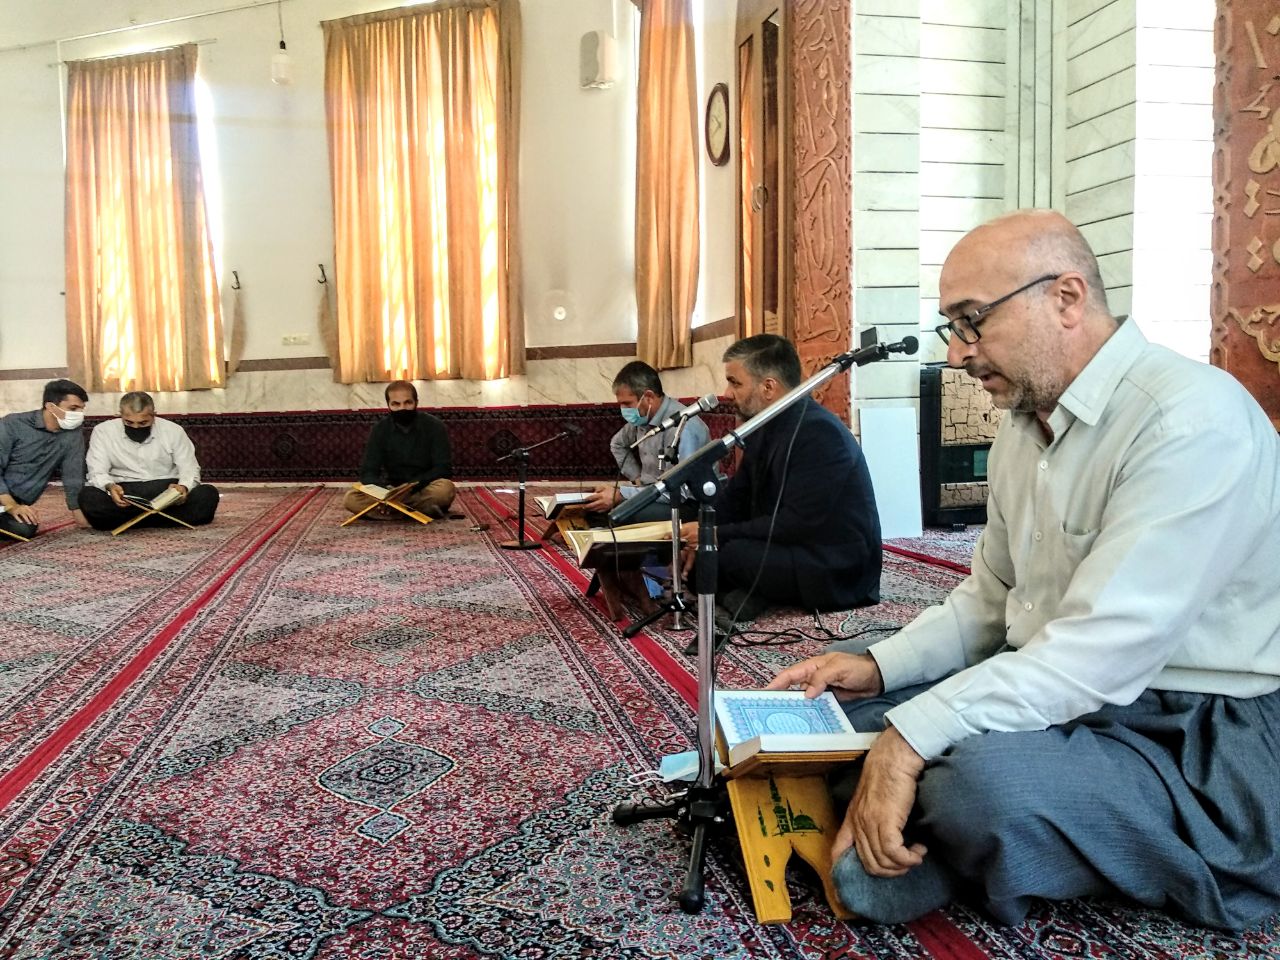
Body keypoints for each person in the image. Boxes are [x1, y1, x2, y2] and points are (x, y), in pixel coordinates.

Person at [768, 209, 1280, 931]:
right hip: (1060, 682)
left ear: (1066, 298)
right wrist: (881, 669)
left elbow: (1098, 654)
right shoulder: (1021, 428)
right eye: (952, 328)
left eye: (972, 321)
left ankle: (950, 832)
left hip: (1191, 725)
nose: (958, 355)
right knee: (845, 696)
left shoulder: (1189, 422)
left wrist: (908, 741)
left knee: (978, 788)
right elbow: (992, 599)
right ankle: (934, 827)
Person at [681, 334, 882, 617]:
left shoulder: (820, 433)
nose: (727, 393)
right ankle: (747, 593)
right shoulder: (763, 426)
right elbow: (737, 496)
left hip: (832, 561)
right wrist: (704, 533)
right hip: (787, 544)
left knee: (731, 555)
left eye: (735, 383)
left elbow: (796, 523)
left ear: (768, 387)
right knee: (703, 556)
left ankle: (748, 594)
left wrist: (717, 535)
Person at [583, 361, 710, 523]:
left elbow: (679, 491)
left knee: (618, 515)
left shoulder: (684, 426)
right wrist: (635, 477)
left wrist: (621, 494)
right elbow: (617, 444)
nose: (623, 410)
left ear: (648, 398)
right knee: (595, 508)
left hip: (685, 502)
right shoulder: (643, 419)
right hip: (653, 492)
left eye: (627, 404)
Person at [80, 391, 220, 531]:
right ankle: (165, 519)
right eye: (129, 422)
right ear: (120, 415)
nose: (136, 428)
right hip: (124, 492)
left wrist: (183, 487)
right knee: (88, 497)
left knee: (207, 494)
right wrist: (110, 486)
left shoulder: (173, 430)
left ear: (154, 415)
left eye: (143, 423)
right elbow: (97, 470)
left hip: (166, 491)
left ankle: (132, 521)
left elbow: (189, 468)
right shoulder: (103, 431)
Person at [344, 380, 456, 520]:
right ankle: (419, 511)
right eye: (396, 404)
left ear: (416, 402)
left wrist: (411, 487)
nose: (402, 408)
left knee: (445, 489)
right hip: (390, 489)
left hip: (422, 487)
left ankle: (390, 511)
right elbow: (368, 471)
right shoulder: (380, 429)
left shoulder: (435, 426)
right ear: (389, 405)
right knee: (351, 498)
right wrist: (384, 493)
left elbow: (443, 468)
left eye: (408, 403)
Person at [0, 378, 91, 538]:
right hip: (5, 497)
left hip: (16, 500)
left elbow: (73, 473)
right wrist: (11, 506)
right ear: (51, 406)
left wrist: (78, 512)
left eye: (81, 409)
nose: (78, 415)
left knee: (25, 528)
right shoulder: (13, 424)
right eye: (73, 408)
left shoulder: (73, 433)